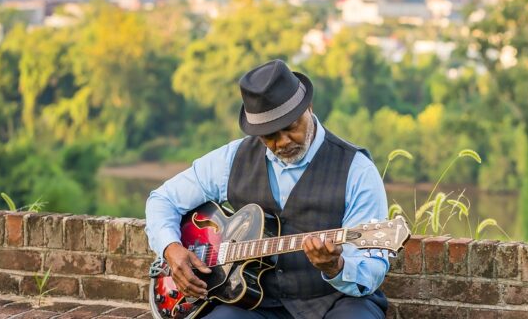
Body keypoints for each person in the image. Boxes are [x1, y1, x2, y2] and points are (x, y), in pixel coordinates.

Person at [145, 59, 389, 319]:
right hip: (254, 304)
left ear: (309, 107)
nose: (282, 142)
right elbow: (162, 199)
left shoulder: (357, 170)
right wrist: (171, 248)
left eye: (290, 127)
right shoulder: (232, 159)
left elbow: (371, 267)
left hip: (337, 301)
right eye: (269, 135)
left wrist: (335, 267)